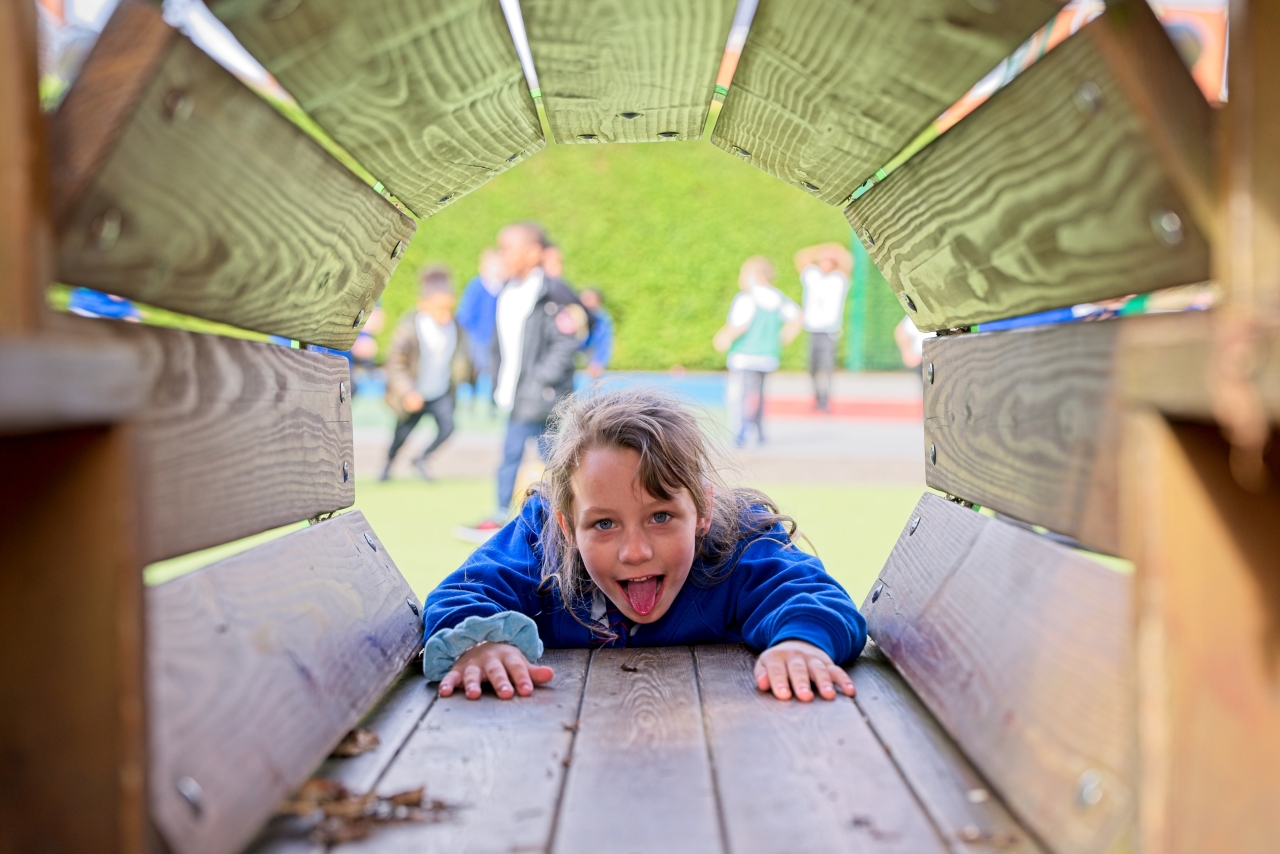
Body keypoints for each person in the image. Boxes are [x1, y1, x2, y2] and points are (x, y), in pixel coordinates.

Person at [421, 387, 867, 703]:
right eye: (604, 524)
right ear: (567, 525)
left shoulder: (740, 543)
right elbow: (463, 593)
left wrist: (800, 643)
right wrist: (480, 643)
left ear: (702, 510)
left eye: (660, 517)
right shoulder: (540, 541)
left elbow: (811, 595)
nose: (635, 552)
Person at [458, 223, 585, 537]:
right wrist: (496, 376)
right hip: (516, 394)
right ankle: (569, 516)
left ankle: (509, 516)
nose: (502, 256)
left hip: (541, 396)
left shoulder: (552, 291)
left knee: (531, 456)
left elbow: (566, 342)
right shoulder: (506, 291)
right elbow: (498, 342)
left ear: (532, 253)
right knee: (549, 457)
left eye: (508, 250)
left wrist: (539, 380)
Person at [382, 266, 471, 481]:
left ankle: (422, 459)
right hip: (415, 392)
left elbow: (461, 360)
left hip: (440, 391)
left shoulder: (456, 328)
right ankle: (387, 466)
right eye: (440, 309)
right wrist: (407, 392)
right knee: (402, 433)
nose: (445, 315)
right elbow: (395, 363)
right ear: (424, 304)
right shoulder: (410, 328)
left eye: (449, 309)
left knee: (448, 427)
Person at [712, 256, 802, 447]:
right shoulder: (778, 297)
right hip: (767, 356)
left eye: (744, 274)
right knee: (759, 393)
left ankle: (740, 432)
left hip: (744, 355)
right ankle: (759, 430)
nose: (741, 279)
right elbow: (797, 317)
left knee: (739, 395)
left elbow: (739, 325)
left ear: (758, 276)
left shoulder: (747, 297)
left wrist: (722, 337)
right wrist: (781, 339)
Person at [794, 242, 853, 411]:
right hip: (812, 329)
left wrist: (835, 249)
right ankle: (817, 397)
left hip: (829, 331)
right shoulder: (812, 275)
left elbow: (849, 261)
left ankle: (826, 400)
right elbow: (800, 256)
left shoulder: (839, 279)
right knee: (812, 367)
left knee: (827, 368)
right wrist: (821, 250)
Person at [455, 248, 507, 406]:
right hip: (476, 337)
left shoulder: (504, 289)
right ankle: (470, 401)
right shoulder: (476, 286)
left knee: (494, 370)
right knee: (475, 369)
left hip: (495, 339)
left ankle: (491, 401)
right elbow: (464, 314)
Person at [579, 288, 614, 379]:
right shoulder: (579, 313)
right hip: (578, 350)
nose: (585, 301)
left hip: (591, 352)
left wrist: (598, 362)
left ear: (597, 301)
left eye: (589, 298)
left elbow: (603, 342)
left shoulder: (601, 317)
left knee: (594, 379)